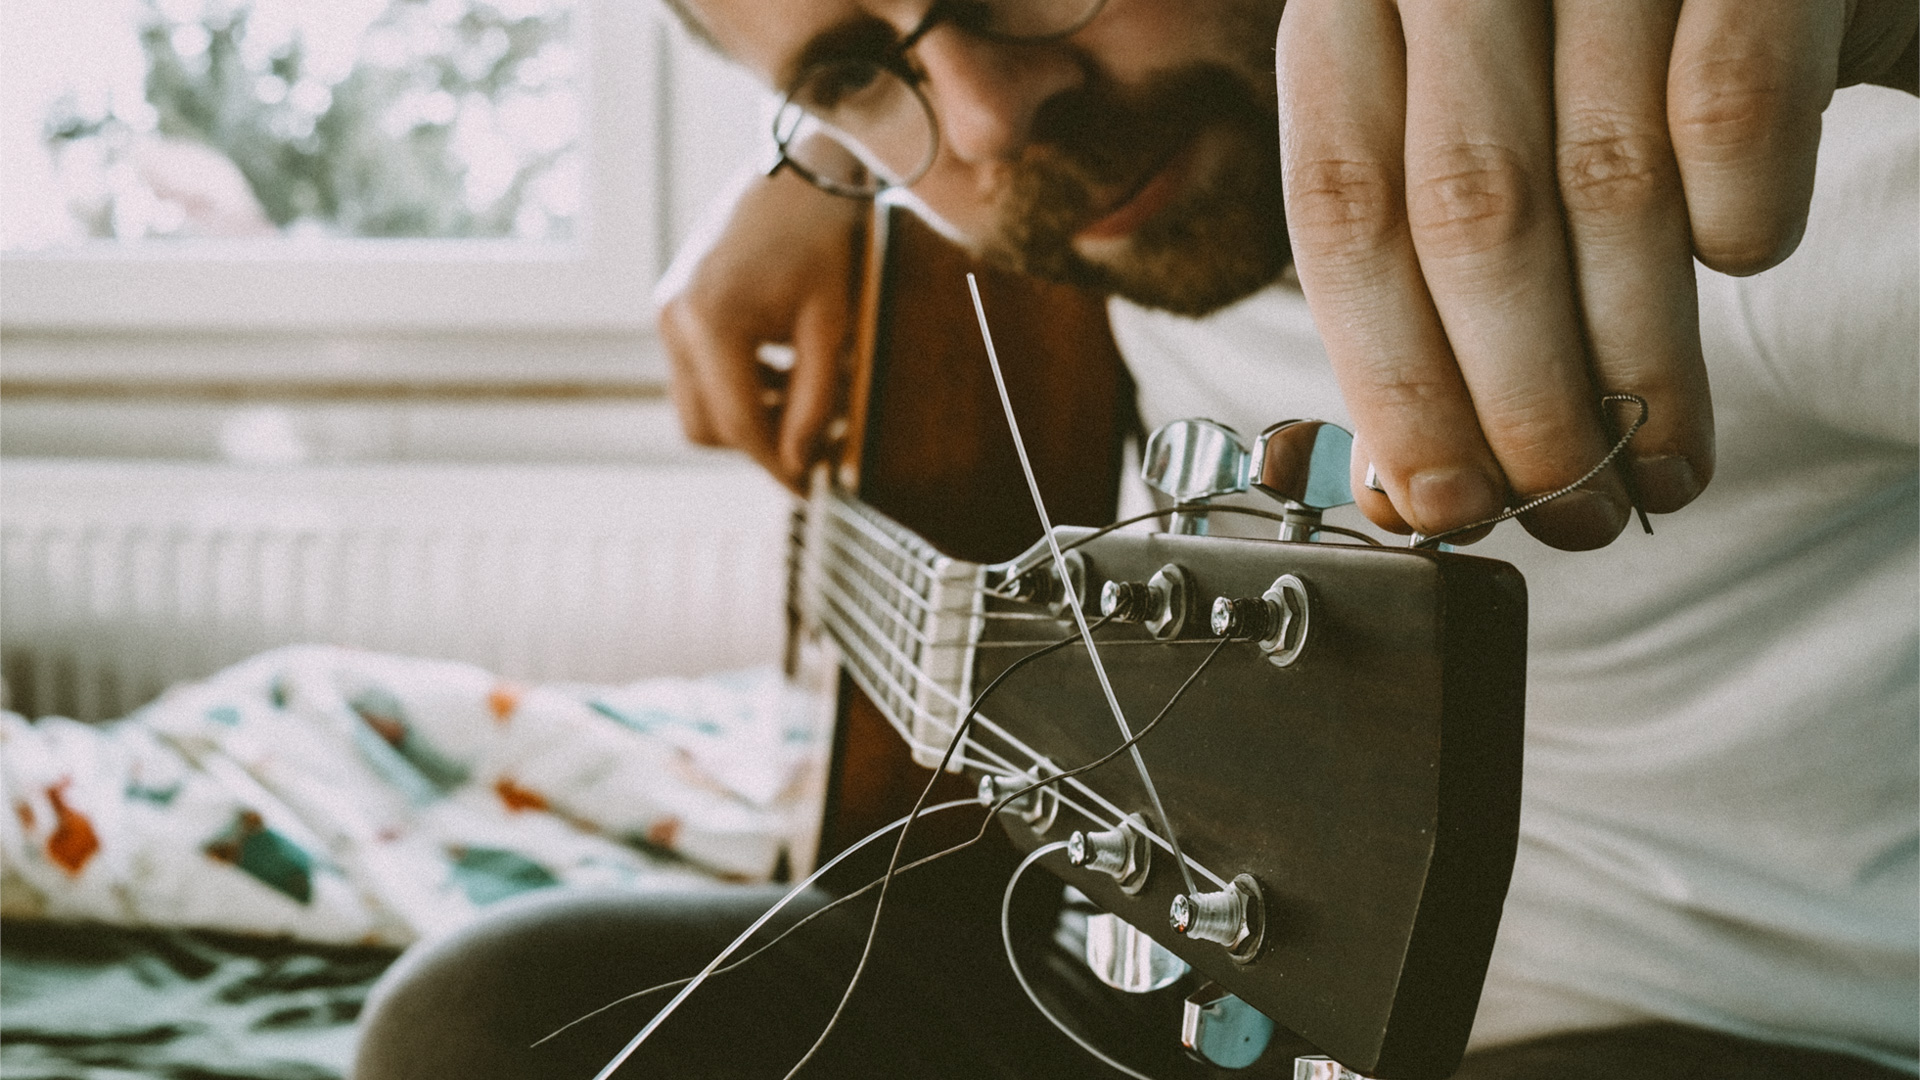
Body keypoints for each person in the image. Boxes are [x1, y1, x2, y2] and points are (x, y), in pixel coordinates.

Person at [354, 2, 1918, 1077]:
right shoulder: (1016, 191)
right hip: (1212, 967)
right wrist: (817, 170)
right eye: (852, 73)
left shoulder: (1746, 170)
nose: (986, 113)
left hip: (1706, 1024)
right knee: (488, 1022)